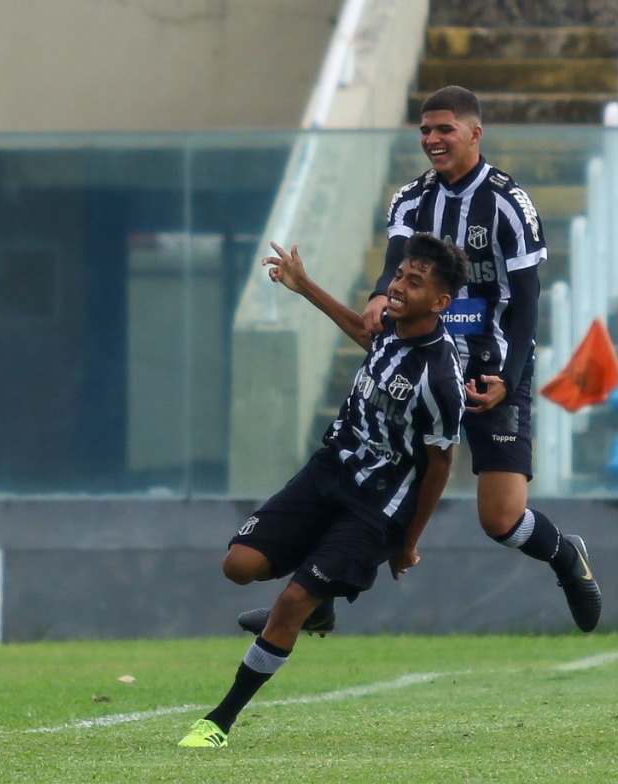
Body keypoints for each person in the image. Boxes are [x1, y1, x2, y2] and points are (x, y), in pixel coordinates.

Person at [238, 85, 601, 638]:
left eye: (444, 129)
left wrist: (506, 379)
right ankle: (313, 596)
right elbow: (392, 269)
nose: (431, 140)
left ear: (474, 133)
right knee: (360, 477)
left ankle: (565, 556)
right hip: (425, 367)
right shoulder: (410, 198)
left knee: (501, 521)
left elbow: (527, 304)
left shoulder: (508, 203)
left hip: (489, 373)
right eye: (425, 131)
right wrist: (381, 296)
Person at [178, 233, 467, 749]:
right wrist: (301, 284)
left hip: (379, 506)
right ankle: (320, 599)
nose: (396, 287)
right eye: (399, 275)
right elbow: (362, 328)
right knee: (239, 566)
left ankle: (219, 721)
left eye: (412, 282)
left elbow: (442, 462)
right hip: (330, 470)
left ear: (440, 302)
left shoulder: (440, 377)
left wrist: (408, 542)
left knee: (290, 601)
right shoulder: (388, 329)